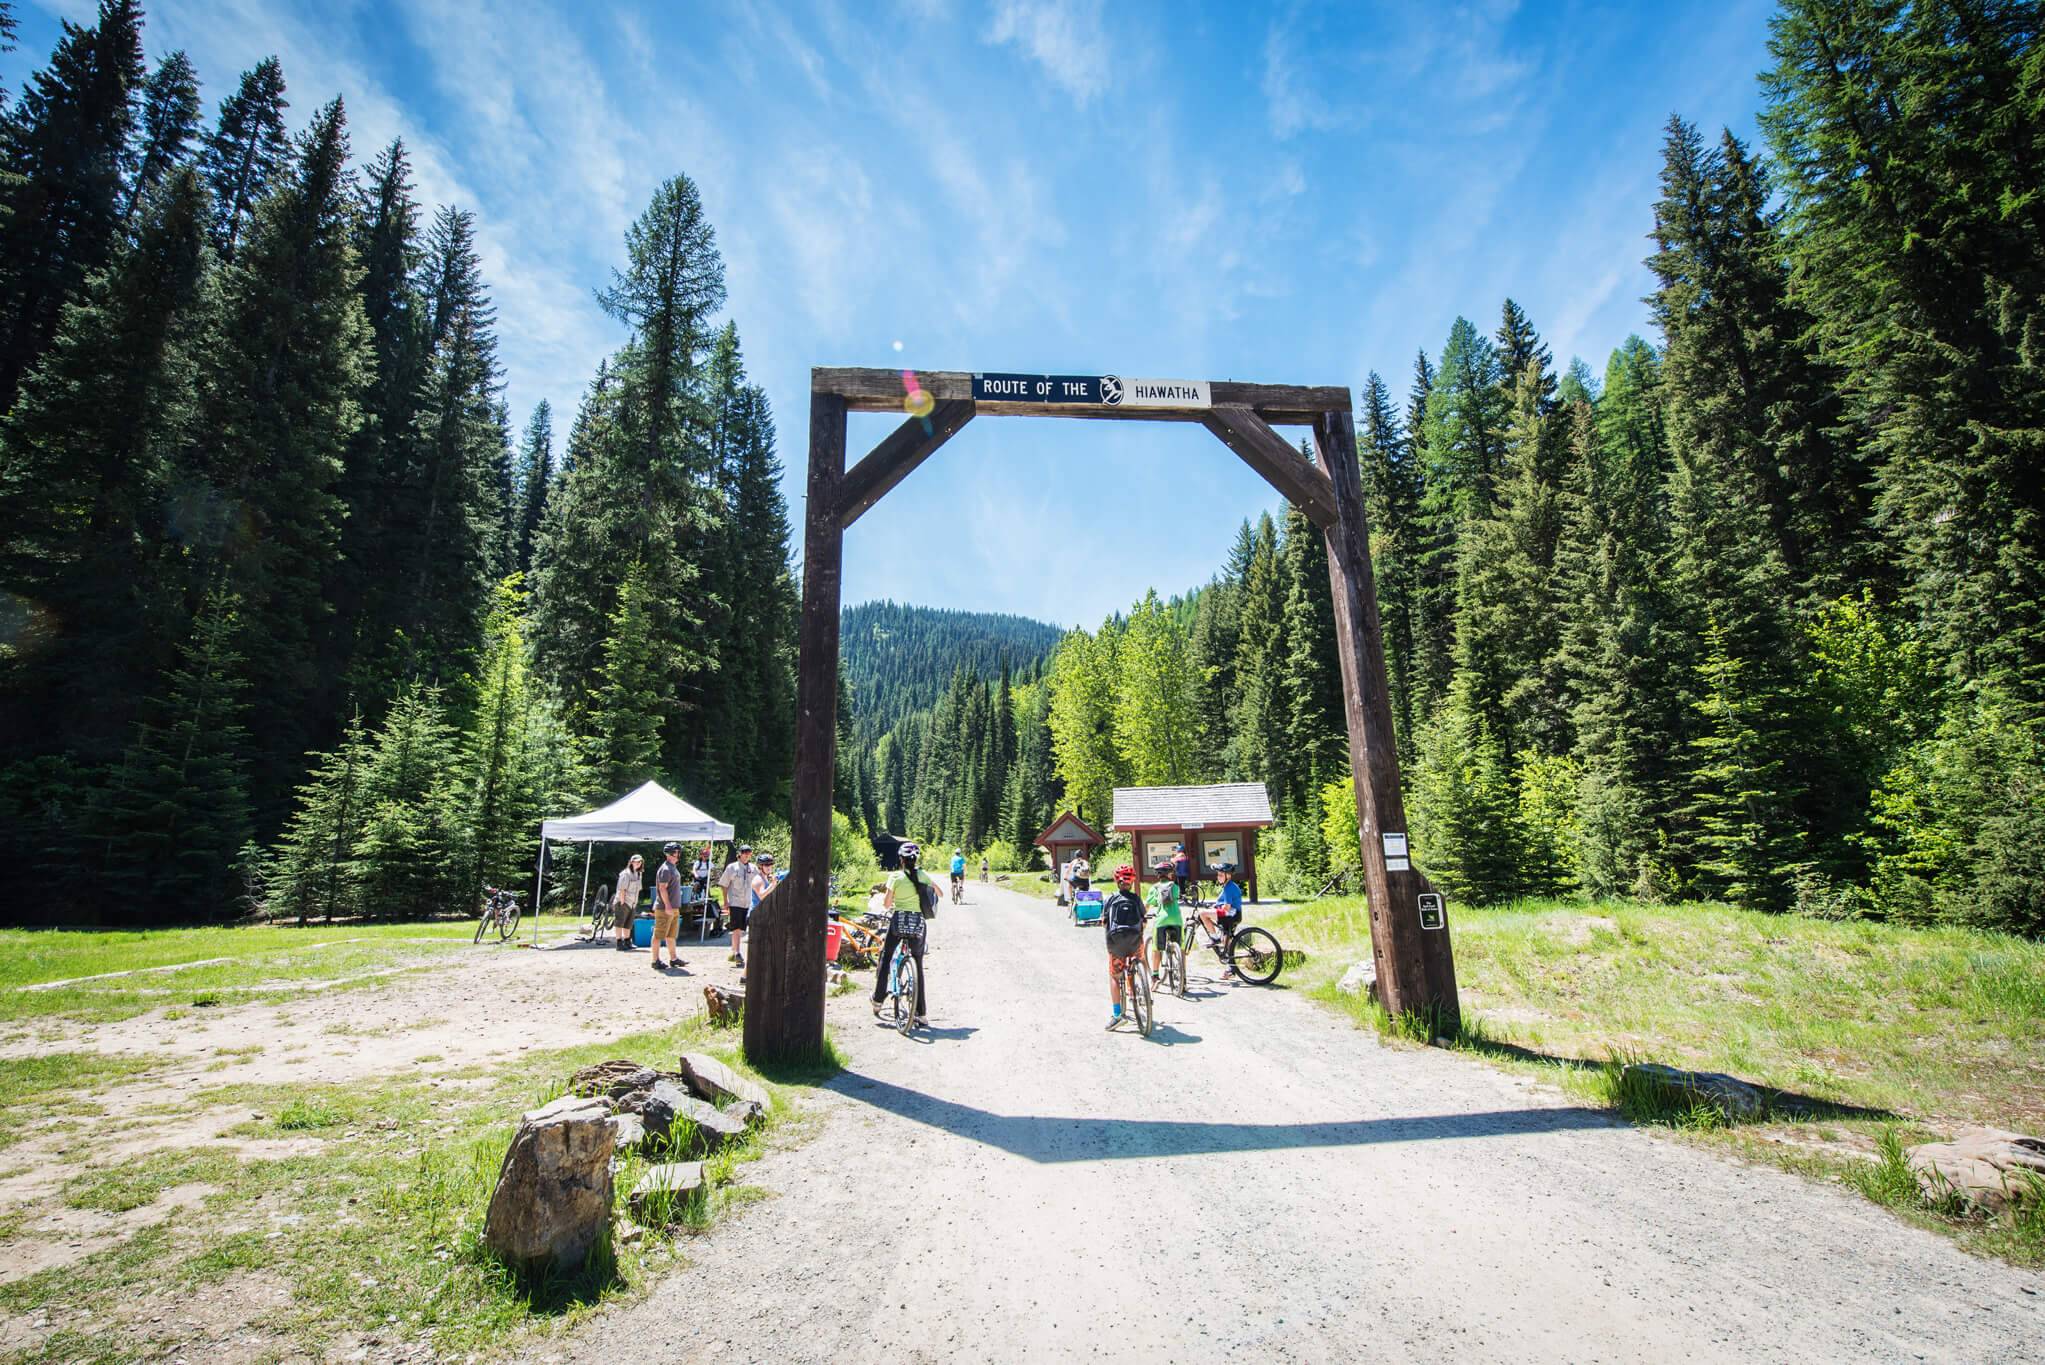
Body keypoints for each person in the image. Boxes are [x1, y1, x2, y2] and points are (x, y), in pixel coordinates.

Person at [871, 840, 936, 1025]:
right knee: (918, 963)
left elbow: (886, 903)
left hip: (898, 921)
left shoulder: (896, 877)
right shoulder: (922, 875)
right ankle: (921, 1013)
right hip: (917, 924)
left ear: (901, 859)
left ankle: (878, 999)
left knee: (887, 955)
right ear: (915, 860)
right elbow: (939, 893)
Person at [1102, 864, 1146, 1028]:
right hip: (1135, 942)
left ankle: (1117, 1015)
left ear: (1116, 880)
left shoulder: (1111, 899)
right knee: (1139, 960)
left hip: (1116, 944)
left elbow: (1104, 921)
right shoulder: (1136, 898)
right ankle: (1142, 988)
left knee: (1114, 975)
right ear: (1132, 881)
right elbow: (1144, 920)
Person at [718, 844, 758, 967]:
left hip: (748, 902)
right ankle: (737, 953)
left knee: (744, 928)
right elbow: (724, 884)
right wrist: (725, 901)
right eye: (745, 852)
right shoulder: (732, 867)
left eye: (749, 852)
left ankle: (735, 951)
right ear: (739, 854)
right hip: (735, 901)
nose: (747, 855)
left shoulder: (753, 868)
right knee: (736, 928)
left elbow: (759, 882)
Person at [651, 843, 688, 972]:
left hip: (674, 907)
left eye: (678, 852)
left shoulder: (673, 868)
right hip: (664, 908)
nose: (678, 854)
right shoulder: (666, 869)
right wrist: (667, 905)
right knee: (659, 934)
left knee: (671, 935)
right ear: (670, 853)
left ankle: (673, 958)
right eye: (676, 852)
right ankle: (655, 960)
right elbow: (662, 888)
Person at [1144, 861, 1181, 982]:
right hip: (1176, 920)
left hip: (1161, 920)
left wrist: (1141, 916)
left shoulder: (1154, 888)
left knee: (1156, 948)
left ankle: (1155, 975)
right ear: (1170, 874)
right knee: (1181, 948)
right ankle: (1183, 977)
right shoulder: (1175, 887)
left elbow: (1148, 905)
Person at [1198, 861, 1244, 946]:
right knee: (1225, 942)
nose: (1218, 877)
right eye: (1218, 875)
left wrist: (1216, 908)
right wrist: (1216, 907)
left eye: (1221, 875)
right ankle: (1228, 957)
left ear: (1228, 876)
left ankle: (1214, 938)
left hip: (1231, 914)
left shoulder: (1229, 888)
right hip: (1235, 914)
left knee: (1202, 913)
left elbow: (1227, 907)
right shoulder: (1229, 885)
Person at [611, 853, 644, 952]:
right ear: (631, 862)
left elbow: (638, 889)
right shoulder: (625, 874)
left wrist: (635, 903)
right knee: (619, 923)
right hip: (623, 902)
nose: (638, 863)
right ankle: (619, 943)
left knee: (628, 924)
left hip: (632, 903)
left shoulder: (638, 874)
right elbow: (622, 889)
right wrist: (621, 902)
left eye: (640, 862)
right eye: (636, 861)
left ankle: (627, 941)